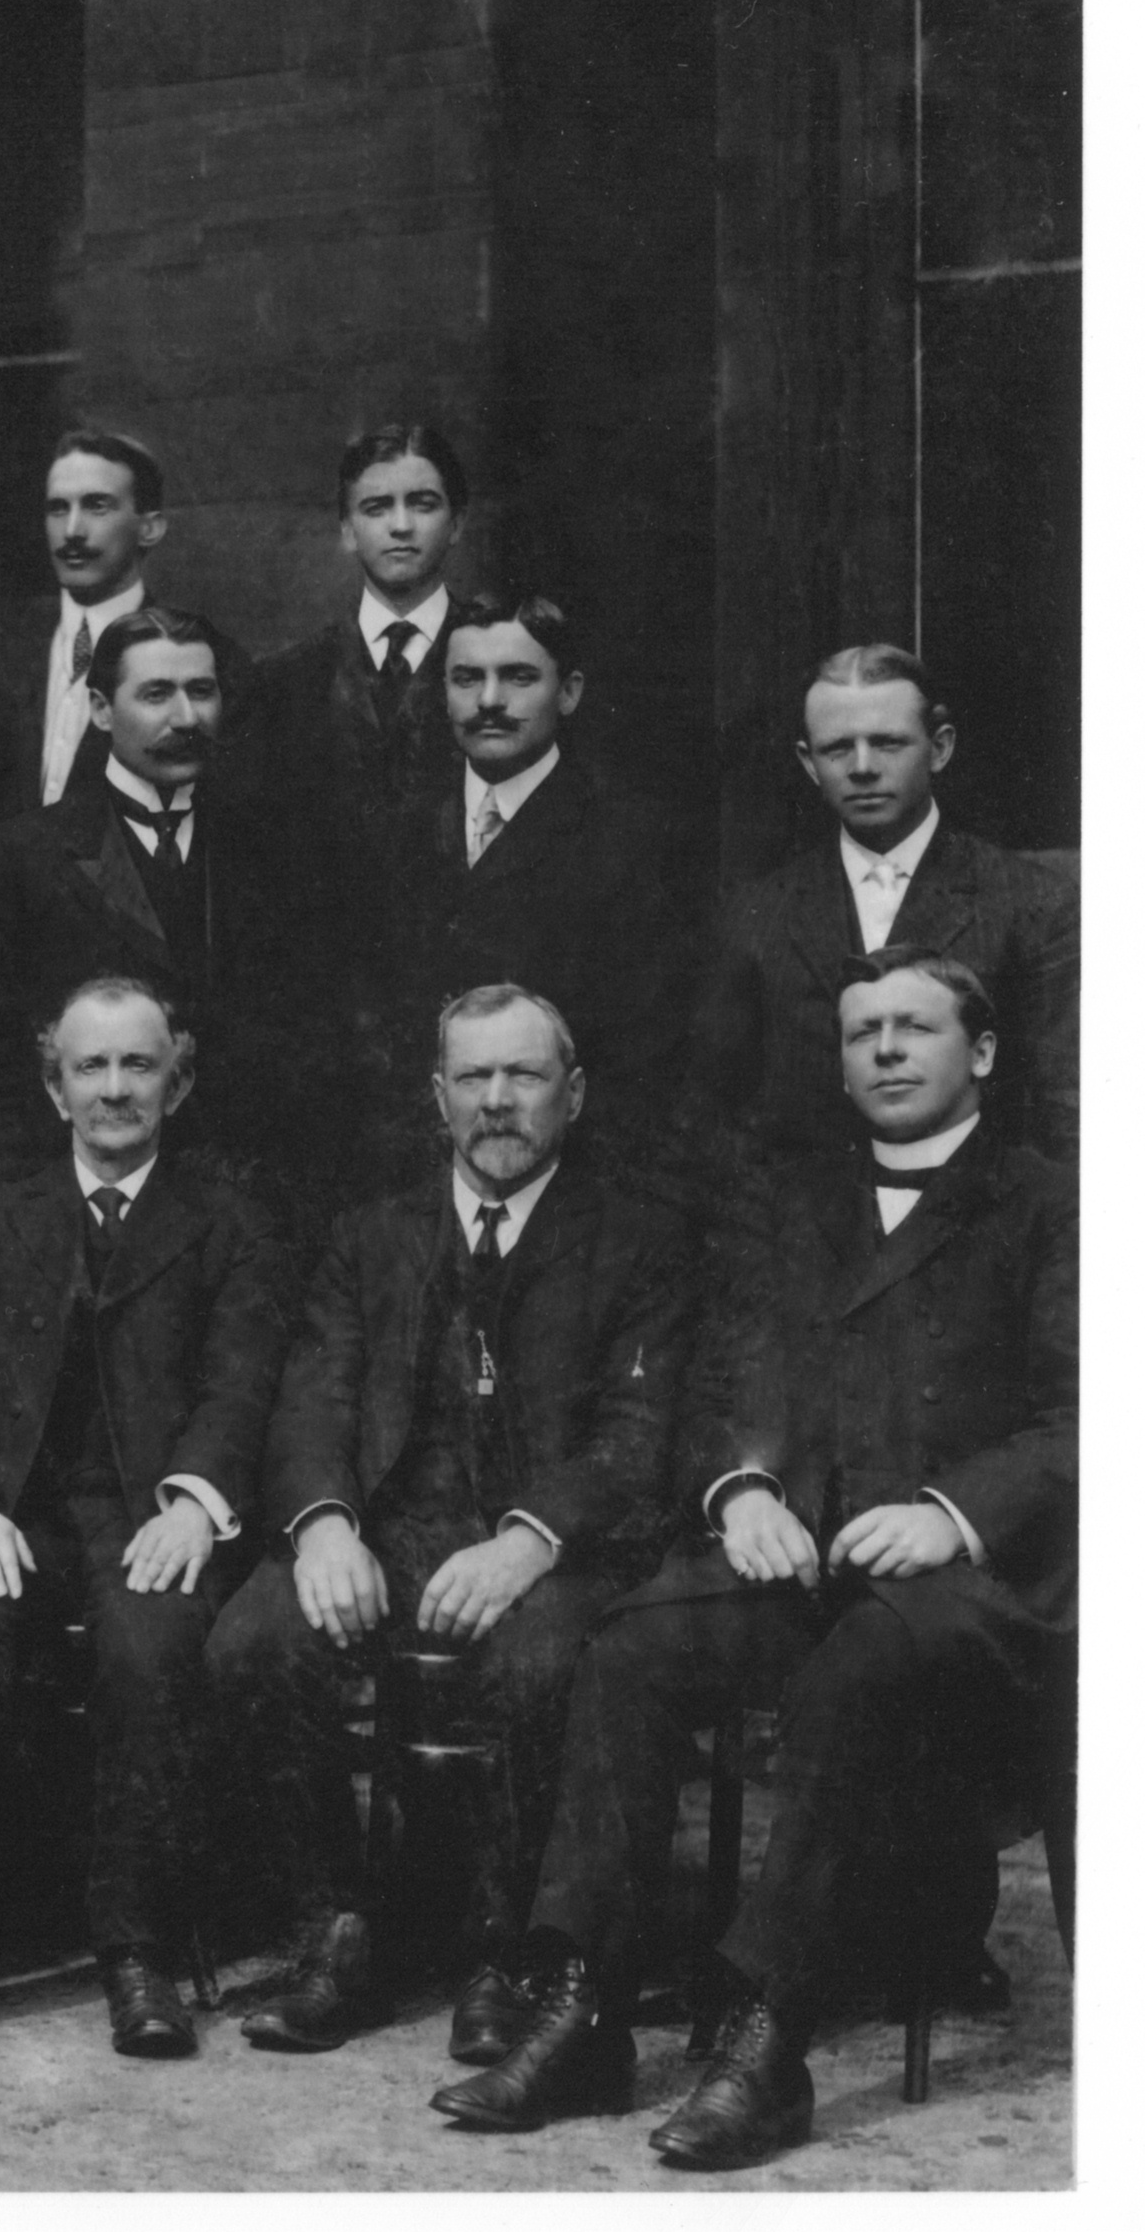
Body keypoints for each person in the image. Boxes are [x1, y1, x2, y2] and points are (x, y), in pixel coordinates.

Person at [434, 949, 1071, 2168]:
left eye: (914, 1027)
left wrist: (951, 1512)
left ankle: (763, 2038)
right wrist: (742, 1486)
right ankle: (582, 2007)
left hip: (986, 1586)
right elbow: (727, 1379)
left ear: (981, 1051)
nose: (885, 1050)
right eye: (861, 1032)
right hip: (814, 1559)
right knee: (628, 1645)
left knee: (860, 1663)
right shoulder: (796, 1200)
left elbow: (1087, 1414)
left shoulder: (1055, 1202)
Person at [202, 984, 691, 2059]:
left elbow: (638, 1433)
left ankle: (500, 1954)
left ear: (573, 1093)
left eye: (523, 1075)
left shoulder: (638, 1240)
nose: (496, 1100)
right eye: (472, 1077)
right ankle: (337, 1929)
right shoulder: (369, 1235)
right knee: (255, 1640)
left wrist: (527, 1539)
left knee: (542, 1660)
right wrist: (324, 1528)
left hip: (554, 1549)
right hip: (393, 1528)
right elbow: (312, 1397)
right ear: (436, 1096)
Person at [0, 977, 292, 2054]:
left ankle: (136, 1948)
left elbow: (241, 1386)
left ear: (177, 1081)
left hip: (148, 1512)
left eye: (137, 1065)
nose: (114, 1089)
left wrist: (195, 1502)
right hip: (12, 1510)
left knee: (151, 1647)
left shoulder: (228, 1224)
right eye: (90, 1067)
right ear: (53, 1087)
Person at [0, 608, 298, 1193]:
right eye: (156, 694)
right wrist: (49, 1209)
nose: (186, 717)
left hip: (232, 1207)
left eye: (201, 692)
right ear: (101, 709)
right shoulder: (16, 858)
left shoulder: (271, 852)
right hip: (68, 1202)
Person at [695, 644, 1076, 1166]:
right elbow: (714, 1113)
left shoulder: (1033, 903)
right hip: (799, 1209)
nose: (863, 767)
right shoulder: (756, 913)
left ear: (939, 748)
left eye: (888, 743)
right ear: (809, 763)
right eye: (837, 748)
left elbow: (1066, 1115)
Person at [394, 592, 693, 1164]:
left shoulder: (628, 840)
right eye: (467, 678)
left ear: (569, 692)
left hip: (566, 1167)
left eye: (518, 677)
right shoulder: (400, 824)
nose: (489, 700)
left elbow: (646, 1053)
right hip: (411, 1171)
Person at [0, 429, 228, 818]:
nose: (72, 532)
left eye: (97, 506)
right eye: (57, 508)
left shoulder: (193, 660)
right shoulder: (6, 654)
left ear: (149, 528)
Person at [252, 423, 471, 887]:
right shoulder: (285, 682)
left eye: (423, 504)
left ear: (456, 524)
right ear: (348, 530)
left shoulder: (506, 663)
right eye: (377, 507)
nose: (401, 525)